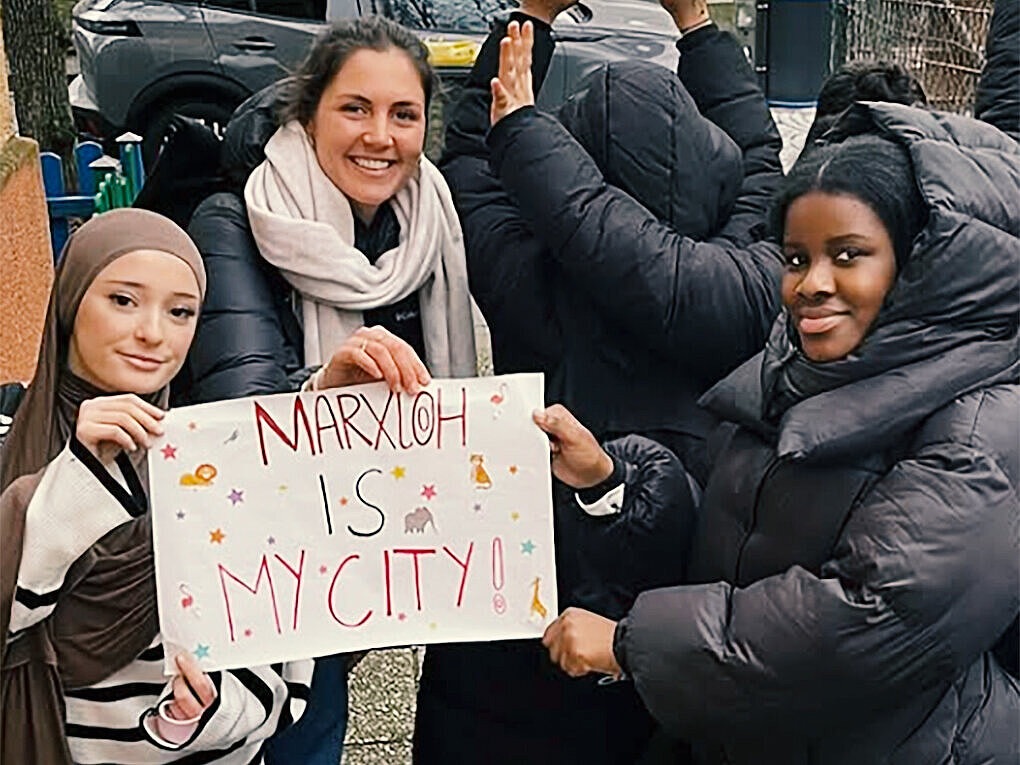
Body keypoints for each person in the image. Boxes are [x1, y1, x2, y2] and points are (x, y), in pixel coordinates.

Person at [539, 102, 1020, 763]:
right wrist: (613, 486)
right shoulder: (802, 371)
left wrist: (631, 644)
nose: (811, 285)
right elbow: (733, 543)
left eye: (848, 255)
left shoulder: (978, 422)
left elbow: (871, 618)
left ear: (918, 263)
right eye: (796, 258)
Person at [413, 2, 780, 762]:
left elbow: (472, 157)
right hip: (669, 618)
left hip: (517, 635)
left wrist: (531, 21)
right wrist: (698, 24)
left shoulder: (521, 276)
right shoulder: (752, 282)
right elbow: (762, 157)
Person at [175, 16, 485, 765]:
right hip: (255, 573)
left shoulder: (427, 226)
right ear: (308, 113)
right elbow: (240, 417)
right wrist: (326, 387)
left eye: (402, 114)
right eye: (355, 108)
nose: (380, 135)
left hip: (352, 563)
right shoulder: (236, 220)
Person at [0, 209, 313, 763]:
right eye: (123, 300)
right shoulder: (6, 435)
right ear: (72, 302)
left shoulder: (217, 466)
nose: (152, 333)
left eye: (181, 312)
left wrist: (193, 718)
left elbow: (284, 679)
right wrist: (75, 479)